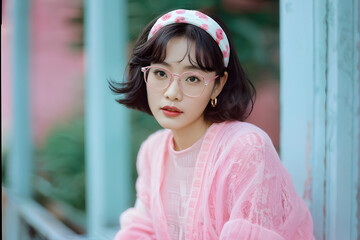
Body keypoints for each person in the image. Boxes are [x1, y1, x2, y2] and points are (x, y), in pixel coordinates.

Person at [110, 9, 314, 240]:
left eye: (193, 78)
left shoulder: (246, 149)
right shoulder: (152, 151)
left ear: (217, 85)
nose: (172, 93)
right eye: (160, 73)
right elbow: (141, 231)